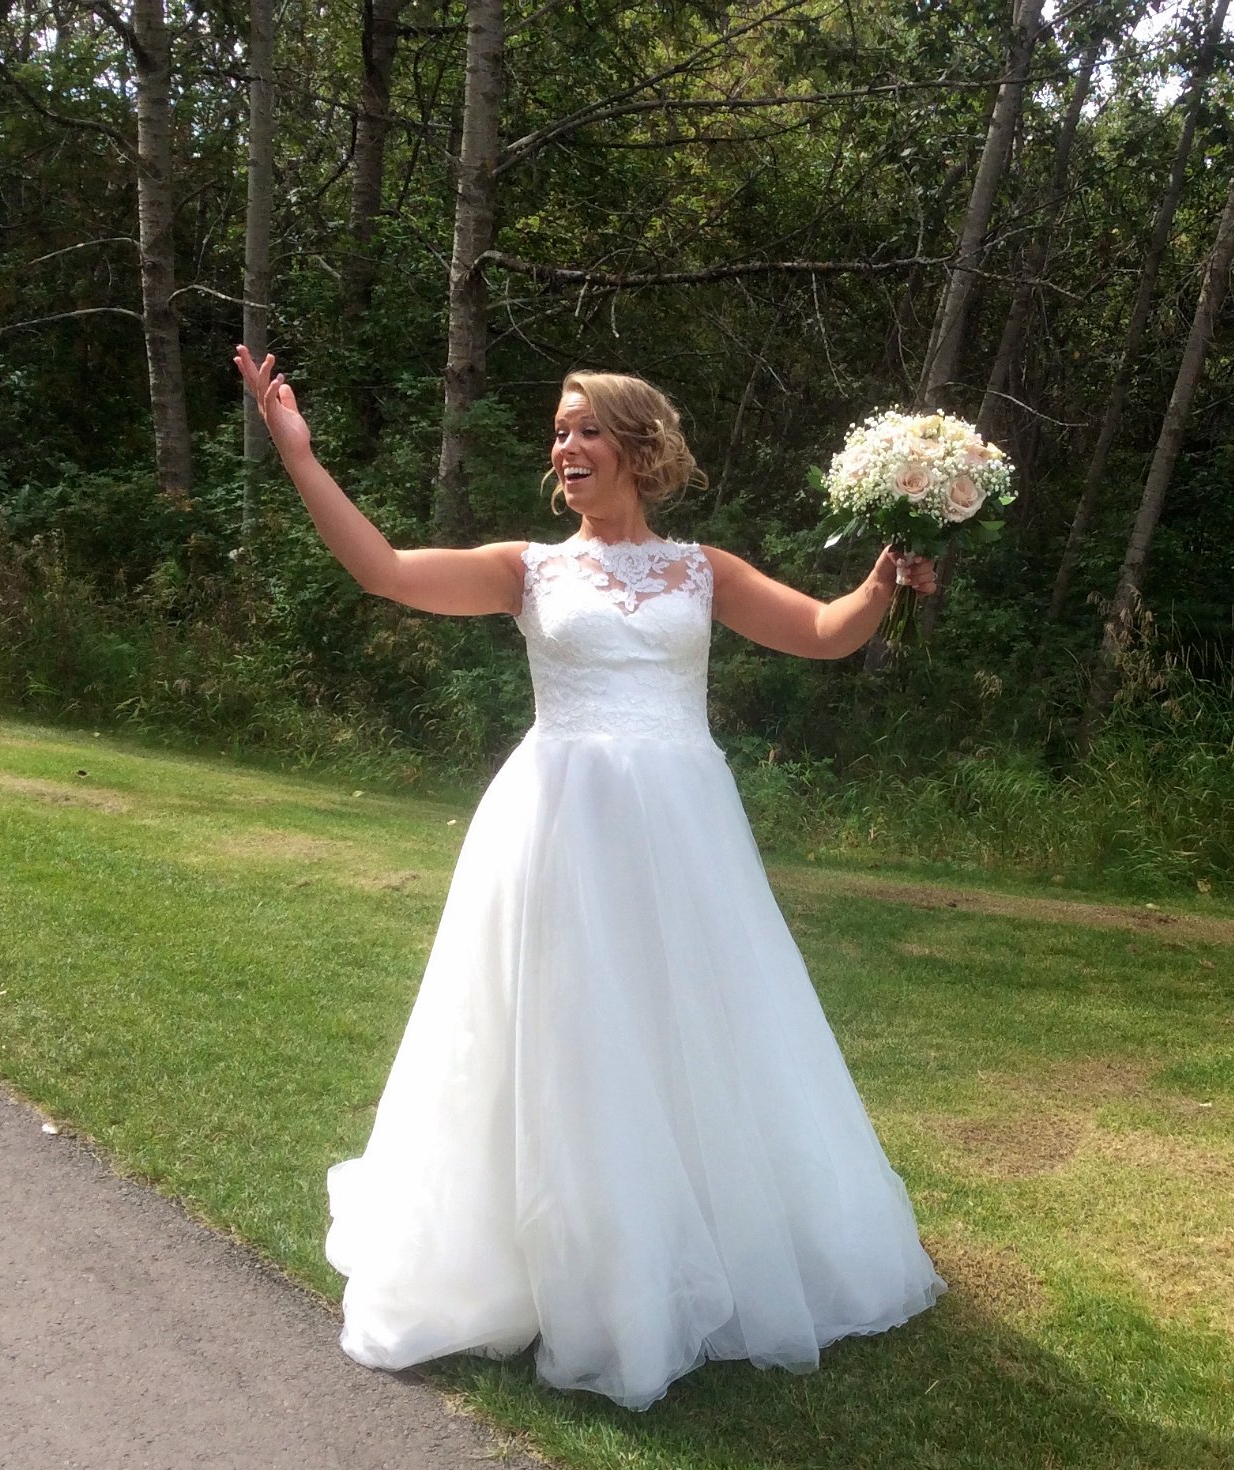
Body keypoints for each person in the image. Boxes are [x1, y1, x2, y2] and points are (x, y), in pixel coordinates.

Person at [233, 346, 946, 1410]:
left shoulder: (702, 571)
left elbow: (823, 633)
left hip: (685, 837)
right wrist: (297, 452)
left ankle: (695, 1244)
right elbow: (383, 570)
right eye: (559, 433)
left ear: (638, 448)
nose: (565, 447)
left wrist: (883, 580)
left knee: (691, 1027)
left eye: (585, 430)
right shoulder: (528, 569)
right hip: (557, 832)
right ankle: (556, 1263)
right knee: (565, 1037)